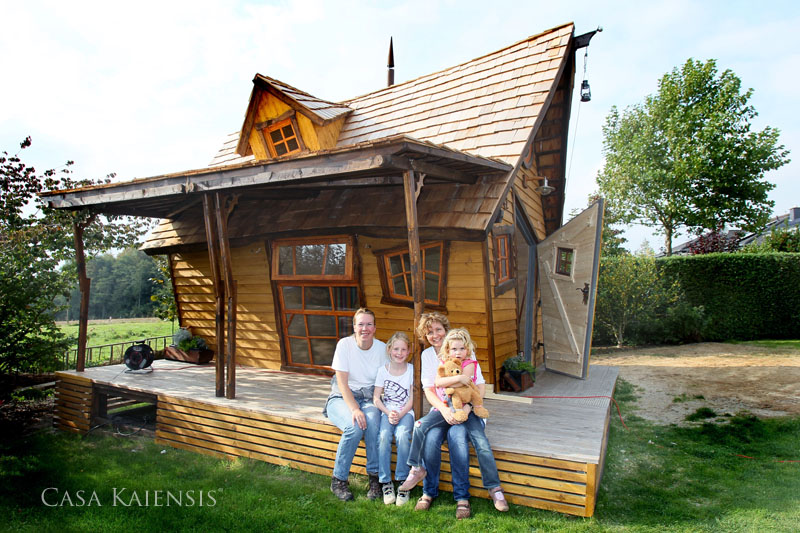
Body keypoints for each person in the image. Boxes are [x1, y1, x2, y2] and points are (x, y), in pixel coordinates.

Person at [399, 327, 508, 517]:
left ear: (467, 349)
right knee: (429, 436)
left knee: (464, 440)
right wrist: (457, 384)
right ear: (448, 350)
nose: (457, 352)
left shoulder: (471, 362)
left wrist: (468, 407)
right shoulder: (440, 362)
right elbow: (436, 385)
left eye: (461, 349)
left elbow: (475, 386)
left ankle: (473, 494)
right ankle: (426, 488)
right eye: (454, 349)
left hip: (468, 410)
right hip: (445, 409)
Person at [323, 308, 387, 501]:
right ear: (354, 327)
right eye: (360, 324)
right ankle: (339, 479)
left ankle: (375, 479)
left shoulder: (382, 349)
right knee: (354, 427)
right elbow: (342, 383)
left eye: (369, 324)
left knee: (373, 426)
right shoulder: (345, 345)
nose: (364, 328)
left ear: (375, 328)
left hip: (369, 399)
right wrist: (355, 409)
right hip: (341, 398)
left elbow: (384, 380)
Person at [373, 331, 414, 505]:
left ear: (408, 351)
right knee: (383, 437)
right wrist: (388, 412)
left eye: (403, 349)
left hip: (406, 412)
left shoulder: (412, 370)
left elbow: (412, 399)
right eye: (396, 349)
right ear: (389, 349)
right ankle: (385, 482)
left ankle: (403, 482)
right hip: (386, 411)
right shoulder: (383, 371)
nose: (399, 353)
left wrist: (401, 413)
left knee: (403, 435)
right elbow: (376, 398)